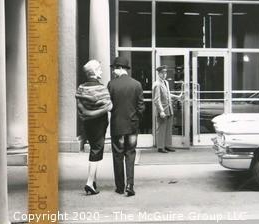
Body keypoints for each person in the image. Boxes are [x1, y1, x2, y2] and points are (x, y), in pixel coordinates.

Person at [108, 56, 145, 196]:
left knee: (118, 155)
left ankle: (119, 186)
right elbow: (141, 107)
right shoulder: (136, 84)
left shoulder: (111, 85)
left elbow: (109, 105)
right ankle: (130, 185)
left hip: (117, 126)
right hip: (132, 126)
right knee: (130, 154)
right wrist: (135, 119)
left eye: (114, 68)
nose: (113, 71)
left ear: (119, 68)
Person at [76, 60, 112, 195]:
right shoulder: (102, 88)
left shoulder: (81, 88)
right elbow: (109, 106)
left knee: (93, 149)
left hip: (87, 123)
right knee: (97, 151)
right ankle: (89, 182)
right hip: (99, 123)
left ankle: (94, 181)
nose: (101, 71)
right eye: (100, 69)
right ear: (95, 72)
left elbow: (81, 107)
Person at [152, 65, 182, 153]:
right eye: (162, 73)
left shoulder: (166, 83)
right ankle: (160, 147)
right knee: (161, 129)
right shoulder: (157, 84)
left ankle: (168, 145)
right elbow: (156, 100)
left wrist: (177, 96)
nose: (164, 74)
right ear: (159, 74)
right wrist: (161, 111)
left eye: (165, 72)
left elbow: (167, 94)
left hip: (169, 109)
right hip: (163, 110)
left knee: (168, 129)